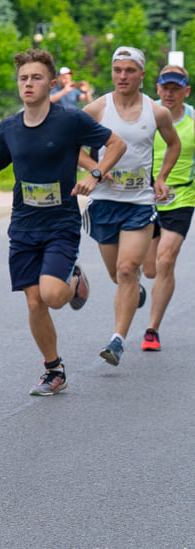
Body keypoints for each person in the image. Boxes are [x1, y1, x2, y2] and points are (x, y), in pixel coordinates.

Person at [0, 49, 126, 396]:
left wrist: (97, 173)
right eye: (23, 78)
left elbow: (115, 143)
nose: (29, 83)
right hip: (24, 225)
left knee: (54, 296)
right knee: (34, 303)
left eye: (36, 77)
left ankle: (72, 276)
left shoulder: (70, 120)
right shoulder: (9, 127)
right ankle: (54, 370)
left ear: (52, 83)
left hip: (61, 222)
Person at [80, 46, 180, 366]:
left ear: (142, 75)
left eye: (129, 70)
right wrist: (95, 170)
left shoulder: (156, 112)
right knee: (117, 275)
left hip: (139, 202)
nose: (122, 76)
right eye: (117, 70)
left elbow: (173, 144)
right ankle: (133, 290)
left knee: (126, 269)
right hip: (104, 203)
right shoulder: (97, 108)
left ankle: (117, 340)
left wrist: (161, 178)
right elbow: (69, 144)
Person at [140, 65, 195, 351]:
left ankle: (152, 329)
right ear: (158, 88)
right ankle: (131, 279)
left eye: (176, 88)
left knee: (165, 260)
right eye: (166, 87)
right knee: (149, 270)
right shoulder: (145, 115)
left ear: (186, 91)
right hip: (145, 198)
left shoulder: (193, 120)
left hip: (182, 197)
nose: (170, 93)